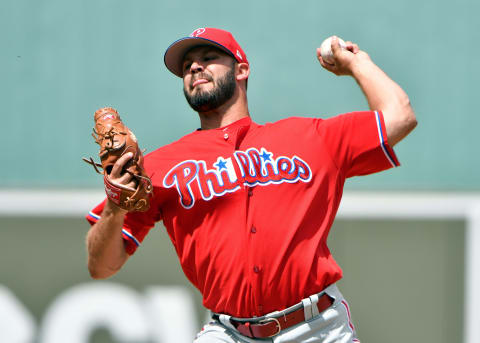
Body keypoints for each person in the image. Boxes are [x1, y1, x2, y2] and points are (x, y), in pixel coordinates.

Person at [85, 27, 416, 342]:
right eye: (186, 65)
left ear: (241, 69)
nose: (195, 66)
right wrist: (115, 205)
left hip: (316, 328)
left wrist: (356, 63)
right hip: (229, 332)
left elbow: (399, 116)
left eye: (207, 57)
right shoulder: (157, 167)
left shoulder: (309, 137)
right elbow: (101, 266)